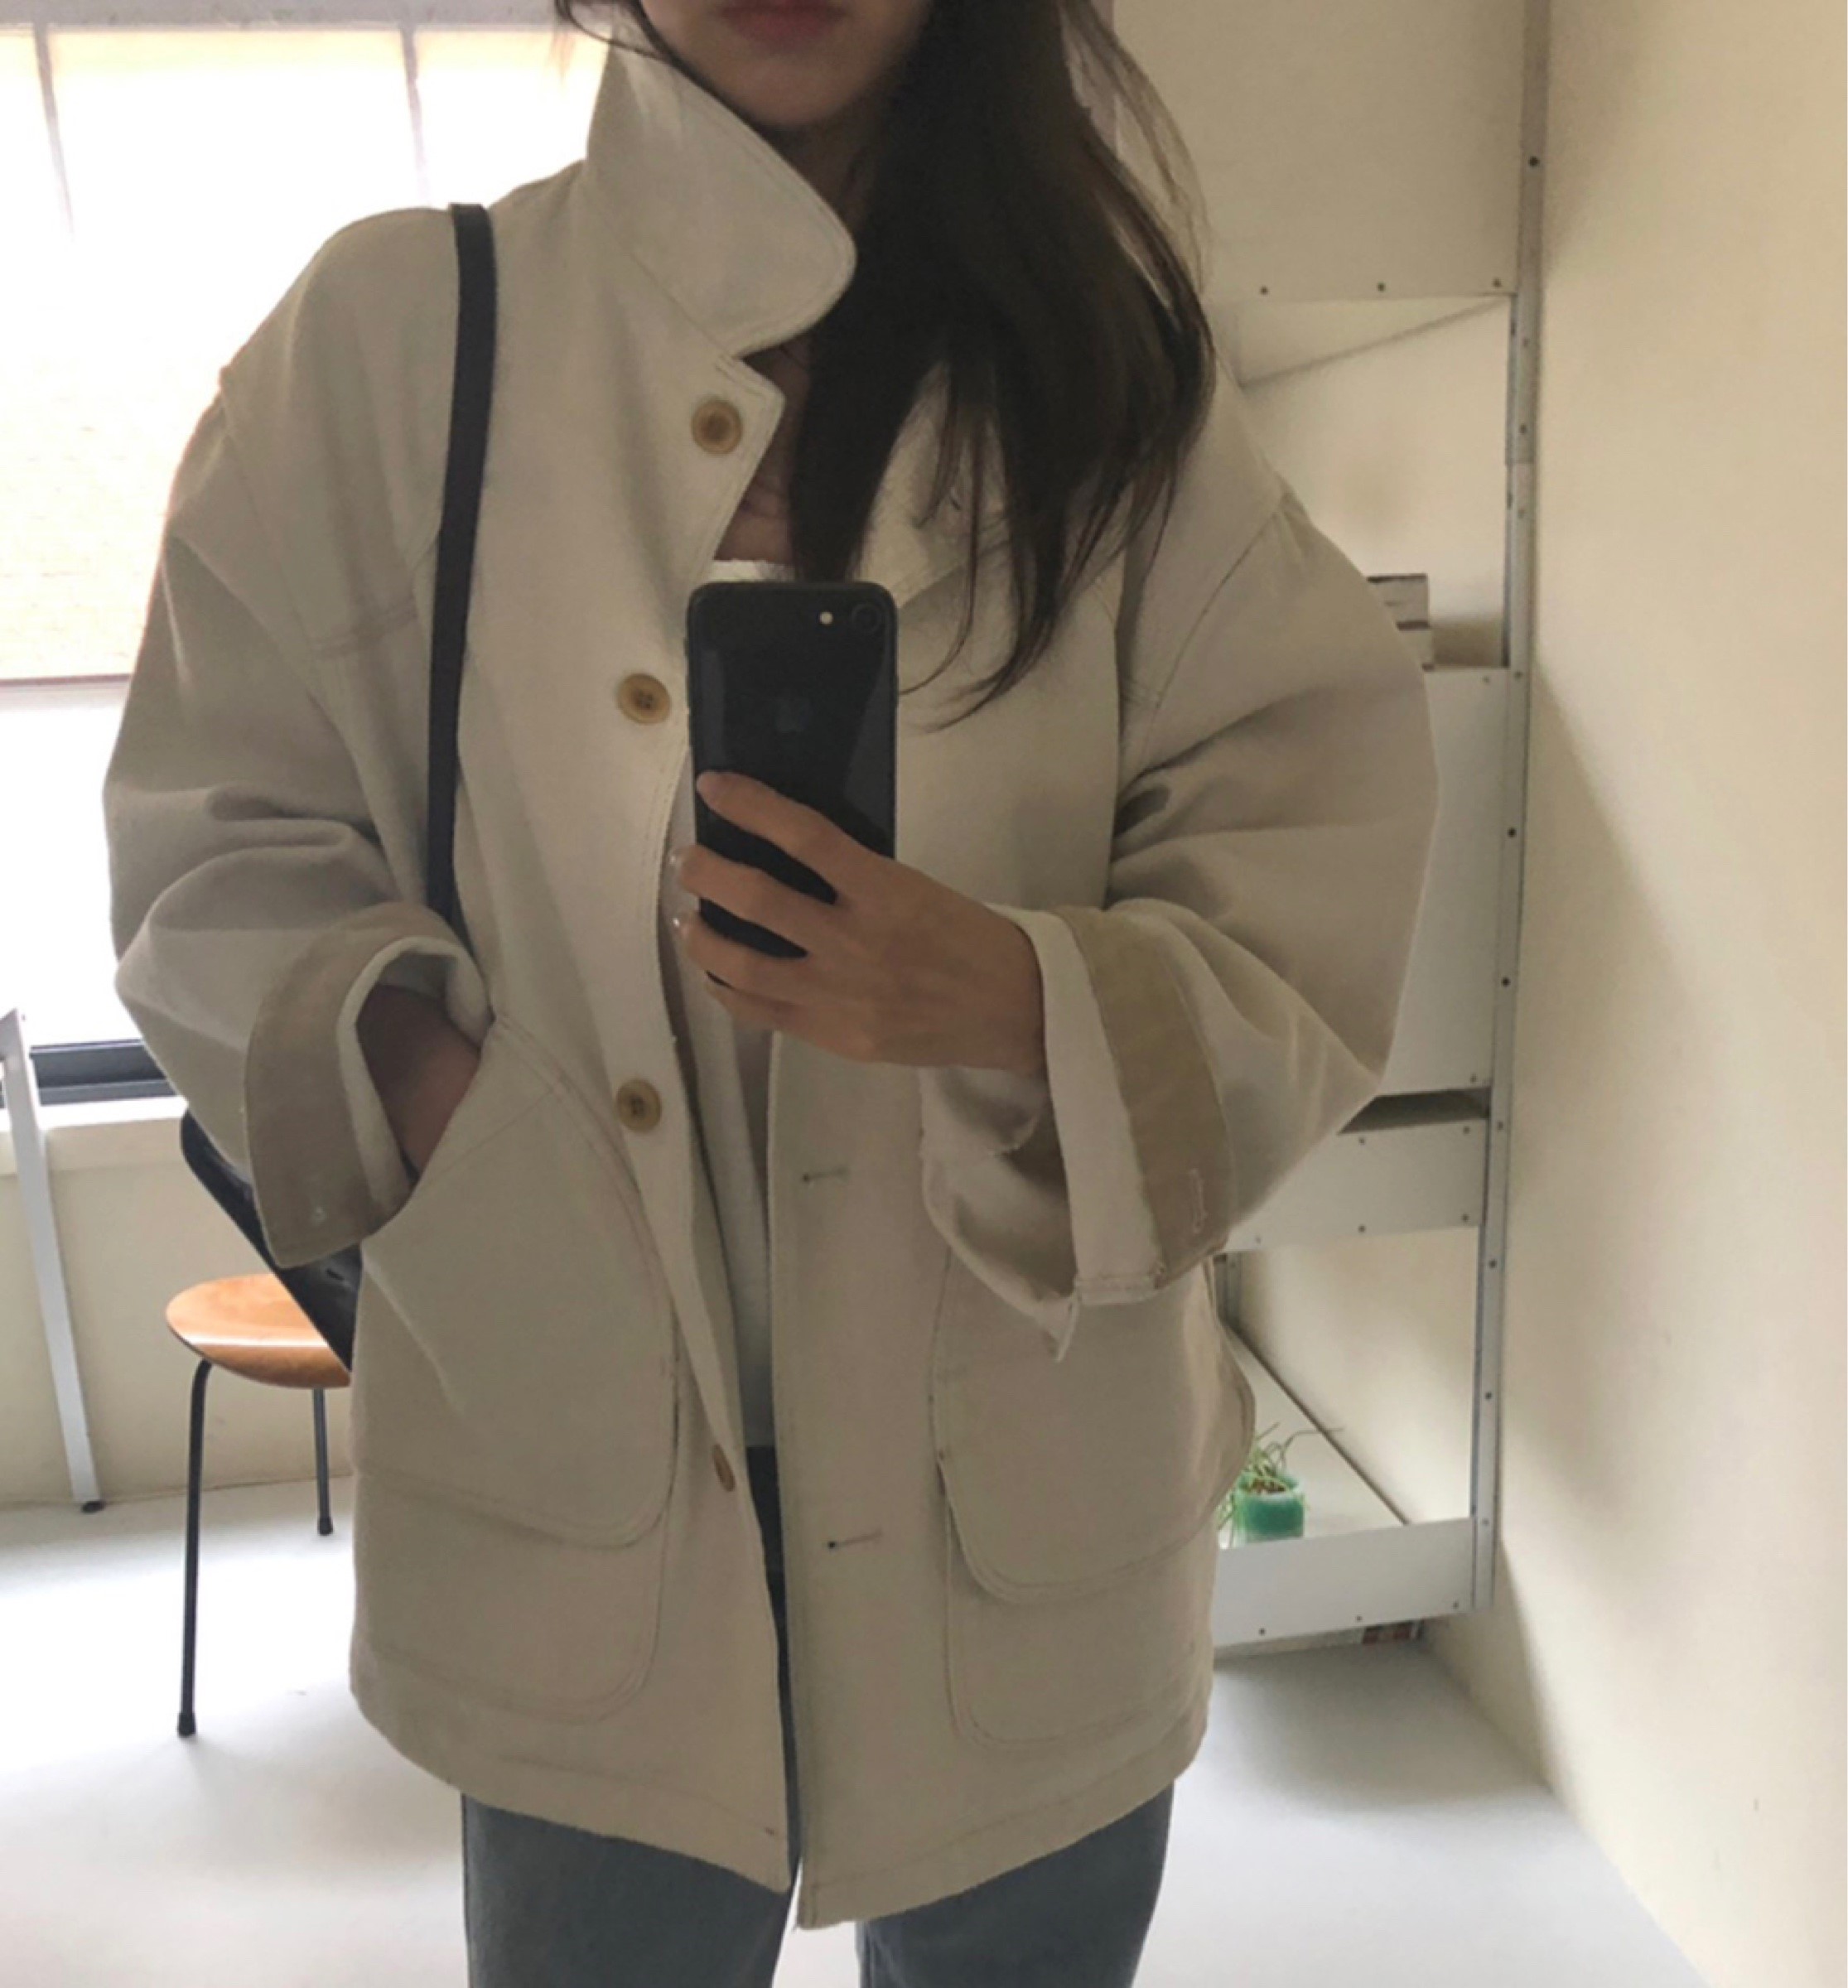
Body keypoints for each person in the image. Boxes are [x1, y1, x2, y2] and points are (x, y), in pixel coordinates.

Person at [103, 2, 1441, 1981]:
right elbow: (214, 844)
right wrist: (461, 1113)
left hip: (1025, 1472)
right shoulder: (396, 338)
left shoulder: (1102, 375)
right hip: (580, 1462)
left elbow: (1308, 842)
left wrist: (1010, 998)